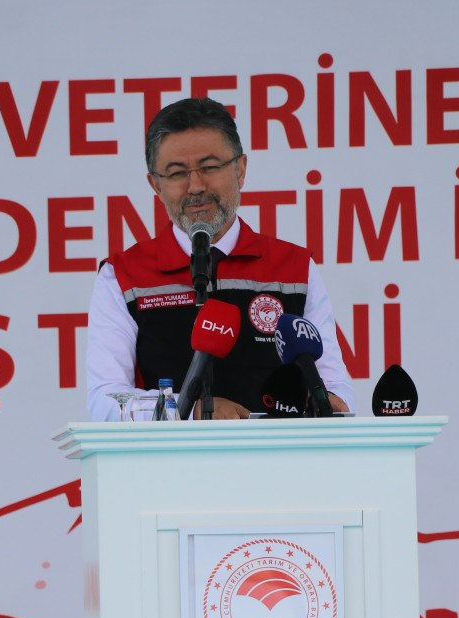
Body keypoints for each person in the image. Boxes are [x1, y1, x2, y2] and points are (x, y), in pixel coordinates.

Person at [85, 97, 354, 421]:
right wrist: (191, 411)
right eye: (177, 173)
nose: (196, 186)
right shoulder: (124, 276)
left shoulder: (293, 267)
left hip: (279, 452)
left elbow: (334, 384)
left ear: (240, 169)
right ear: (156, 185)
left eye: (210, 167)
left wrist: (329, 402)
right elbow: (105, 400)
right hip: (169, 455)